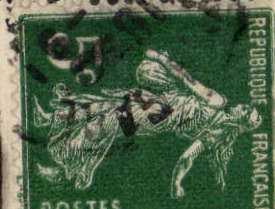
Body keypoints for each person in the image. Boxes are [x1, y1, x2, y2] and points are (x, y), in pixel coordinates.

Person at [34, 48, 261, 196]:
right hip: (163, 101)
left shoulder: (218, 104)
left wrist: (162, 58)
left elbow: (189, 81)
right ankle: (50, 119)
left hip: (158, 115)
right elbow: (186, 159)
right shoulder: (214, 134)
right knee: (109, 104)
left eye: (246, 109)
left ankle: (60, 168)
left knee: (103, 124)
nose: (242, 105)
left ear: (241, 118)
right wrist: (176, 183)